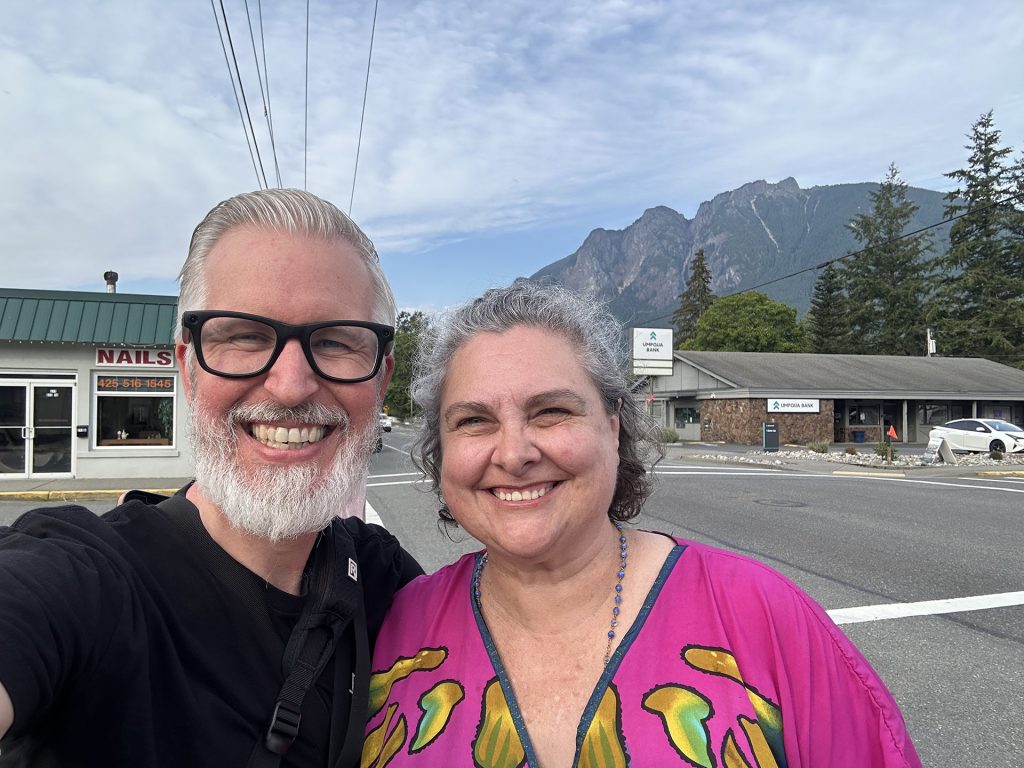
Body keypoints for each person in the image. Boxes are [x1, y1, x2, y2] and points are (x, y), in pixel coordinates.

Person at [362, 280, 922, 767]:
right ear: (441, 451)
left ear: (613, 426)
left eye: (551, 411)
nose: (514, 453)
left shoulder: (764, 619)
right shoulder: (396, 627)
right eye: (473, 420)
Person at [0, 189, 423, 766]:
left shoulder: (386, 582)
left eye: (333, 341)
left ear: (379, 380)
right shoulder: (85, 580)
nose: (290, 386)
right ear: (187, 366)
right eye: (245, 336)